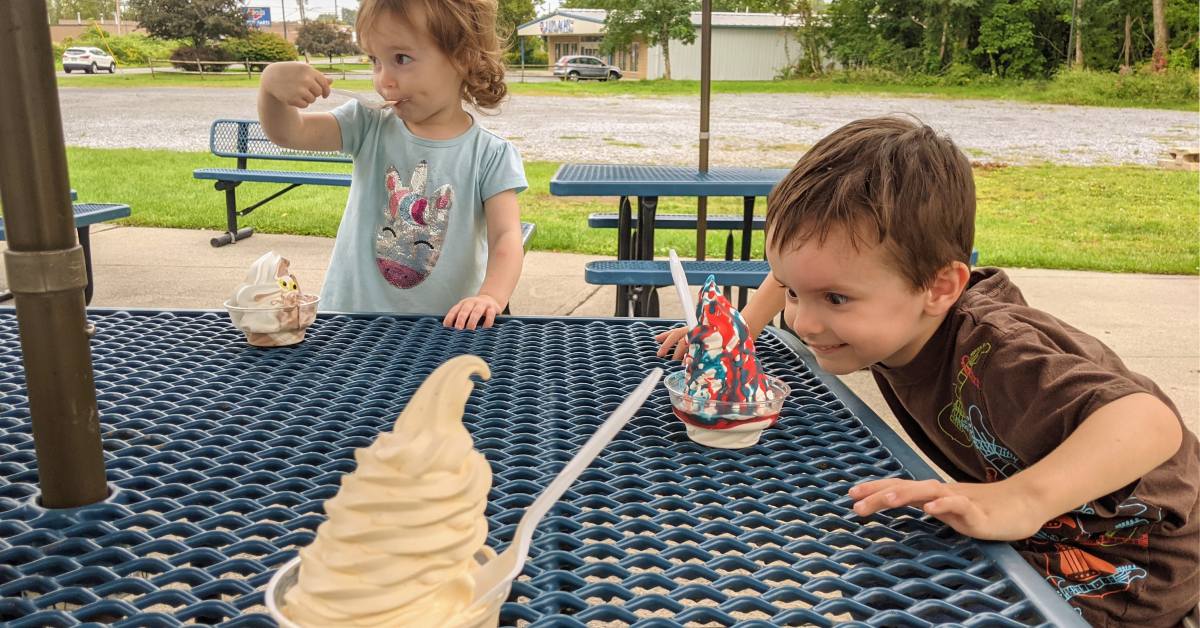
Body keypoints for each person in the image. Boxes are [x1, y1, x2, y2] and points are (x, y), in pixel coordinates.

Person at [657, 116, 1199, 626]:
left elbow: (1148, 422)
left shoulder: (999, 353)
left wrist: (1021, 500)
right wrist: (738, 332)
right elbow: (791, 271)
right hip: (1032, 528)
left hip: (1132, 563)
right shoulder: (898, 307)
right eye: (797, 294)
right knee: (883, 576)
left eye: (837, 299)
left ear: (940, 287)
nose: (805, 322)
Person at [257, 0, 527, 330]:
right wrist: (271, 89)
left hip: (444, 331)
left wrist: (490, 297)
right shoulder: (368, 124)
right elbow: (290, 133)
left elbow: (506, 238)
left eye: (401, 59)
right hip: (350, 324)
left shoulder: (490, 155)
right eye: (375, 60)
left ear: (463, 57)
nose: (384, 80)